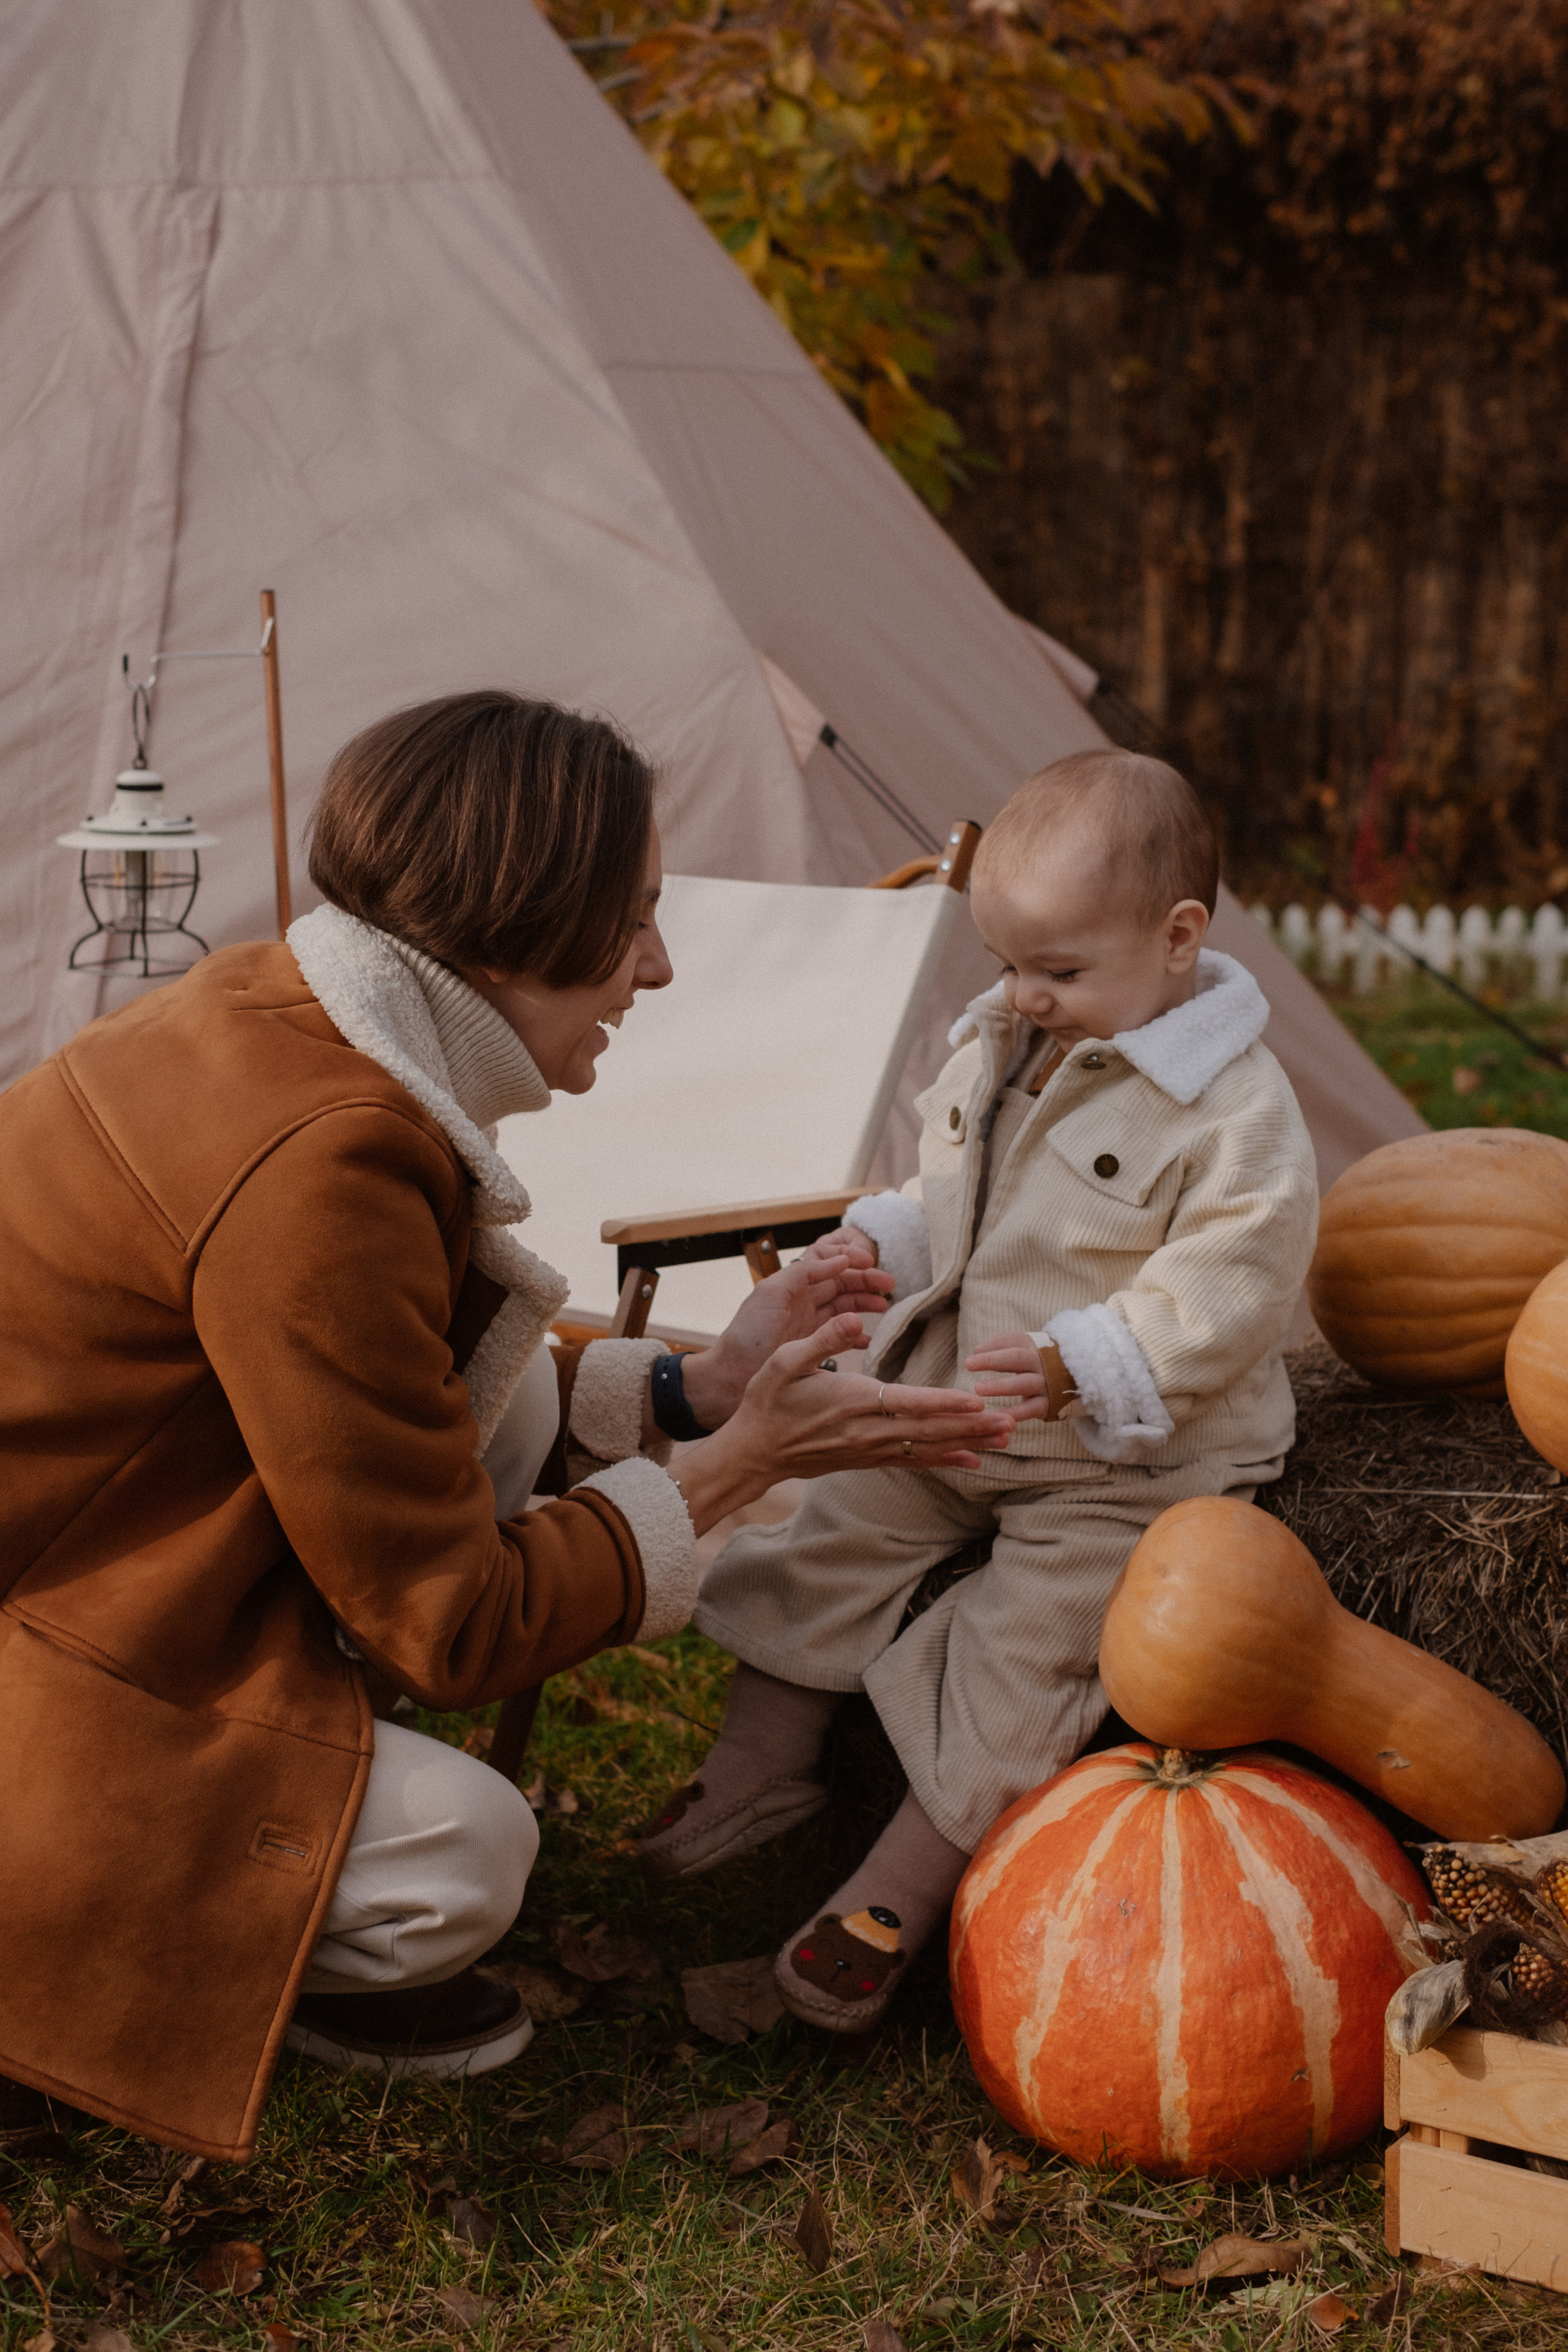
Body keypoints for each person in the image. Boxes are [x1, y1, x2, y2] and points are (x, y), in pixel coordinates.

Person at [0, 691, 1016, 2160]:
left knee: (514, 1358)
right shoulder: (322, 1163)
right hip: (55, 1645)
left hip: (100, 1568)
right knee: (463, 1859)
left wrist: (697, 1389)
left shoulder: (274, 1020)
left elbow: (408, 1377)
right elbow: (448, 1626)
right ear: (518, 916)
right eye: (633, 921)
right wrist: (742, 1470)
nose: (657, 967)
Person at [641, 749, 1320, 2030]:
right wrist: (882, 1245)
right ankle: (757, 1764)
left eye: (1057, 971)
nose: (1025, 994)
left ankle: (896, 1891)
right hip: (952, 1414)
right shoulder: (1001, 1042)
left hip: (1125, 1462)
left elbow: (1230, 1286)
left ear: (1178, 939)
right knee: (830, 1536)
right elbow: (954, 1191)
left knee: (1037, 1646)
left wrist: (1092, 1360)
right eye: (1007, 964)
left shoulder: (1233, 1113)